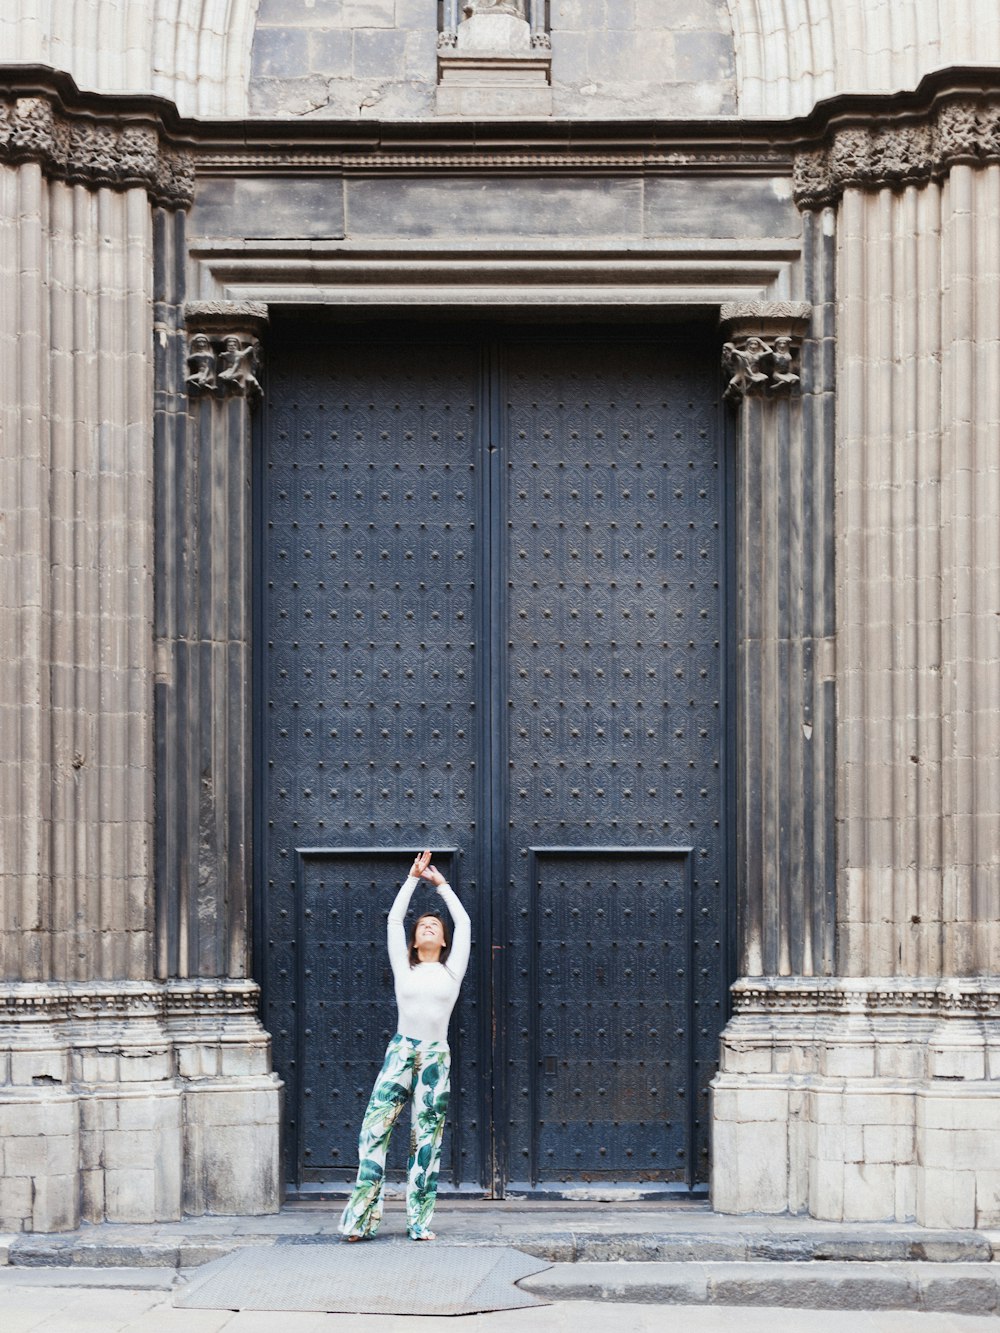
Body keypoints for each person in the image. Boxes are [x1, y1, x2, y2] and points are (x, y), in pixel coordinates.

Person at [339, 850, 471, 1242]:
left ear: (443, 939)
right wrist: (413, 878)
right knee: (373, 1133)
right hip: (401, 1052)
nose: (429, 927)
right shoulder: (405, 968)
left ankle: (419, 1222)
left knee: (426, 1141)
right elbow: (395, 919)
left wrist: (442, 886)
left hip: (435, 1057)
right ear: (414, 942)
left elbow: (463, 920)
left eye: (435, 925)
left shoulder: (451, 970)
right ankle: (361, 1221)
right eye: (424, 925)